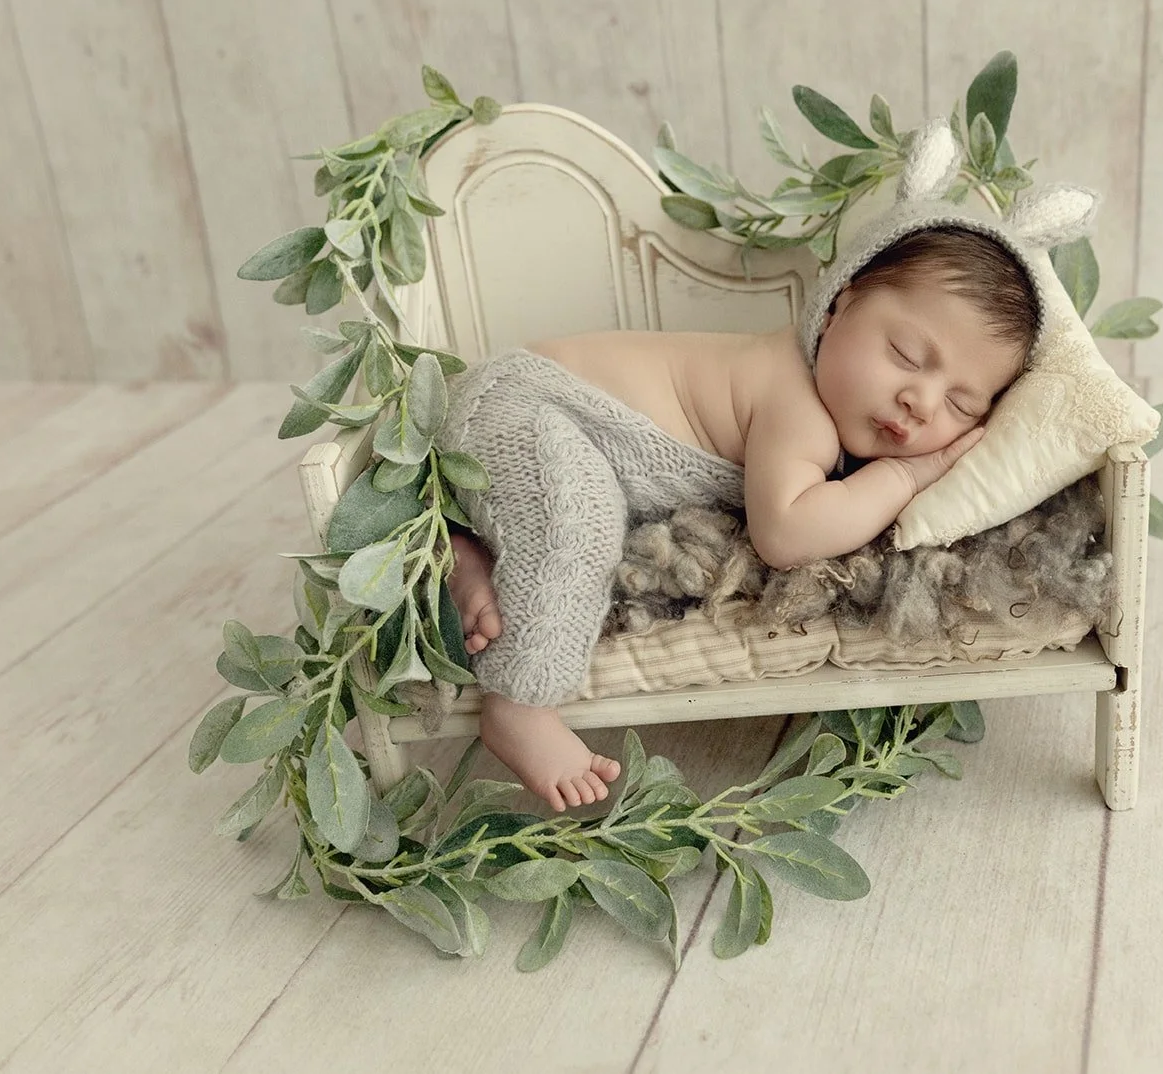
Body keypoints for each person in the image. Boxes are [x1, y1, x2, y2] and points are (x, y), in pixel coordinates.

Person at [435, 118, 1065, 813]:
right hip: (530, 407)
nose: (918, 401)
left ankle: (467, 554)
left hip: (535, 429)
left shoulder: (828, 398)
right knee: (576, 521)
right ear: (838, 306)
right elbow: (787, 535)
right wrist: (905, 476)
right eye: (907, 357)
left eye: (961, 402)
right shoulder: (795, 400)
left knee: (561, 519)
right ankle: (519, 701)